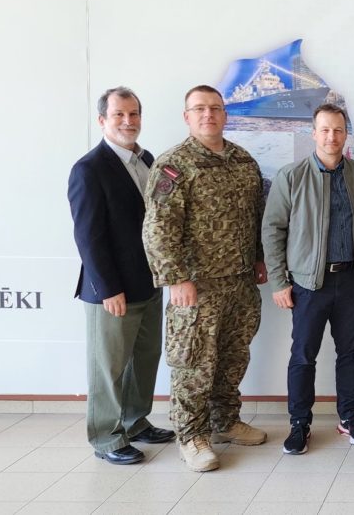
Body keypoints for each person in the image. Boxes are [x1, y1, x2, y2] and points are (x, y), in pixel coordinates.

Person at [143, 85, 268, 472]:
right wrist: (176, 278)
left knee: (233, 357)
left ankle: (225, 421)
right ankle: (191, 435)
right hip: (196, 286)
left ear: (225, 114)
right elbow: (158, 227)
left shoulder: (243, 160)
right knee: (193, 363)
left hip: (240, 282)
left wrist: (259, 258)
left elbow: (256, 216)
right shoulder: (173, 165)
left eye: (215, 108)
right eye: (199, 109)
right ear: (187, 116)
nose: (208, 115)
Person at [67, 87, 175, 465]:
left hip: (149, 282)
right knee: (109, 367)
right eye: (119, 115)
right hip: (112, 290)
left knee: (144, 359)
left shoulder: (147, 160)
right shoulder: (89, 169)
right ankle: (106, 438)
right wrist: (108, 288)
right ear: (102, 120)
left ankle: (135, 421)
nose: (128, 121)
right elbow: (88, 237)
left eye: (134, 114)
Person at [262, 103, 354, 455]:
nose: (331, 136)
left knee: (350, 353)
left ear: (346, 134)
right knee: (303, 355)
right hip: (308, 284)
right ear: (313, 133)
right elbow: (272, 229)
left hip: (351, 280)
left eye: (338, 130)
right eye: (324, 130)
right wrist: (279, 281)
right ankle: (299, 424)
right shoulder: (291, 176)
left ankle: (349, 417)